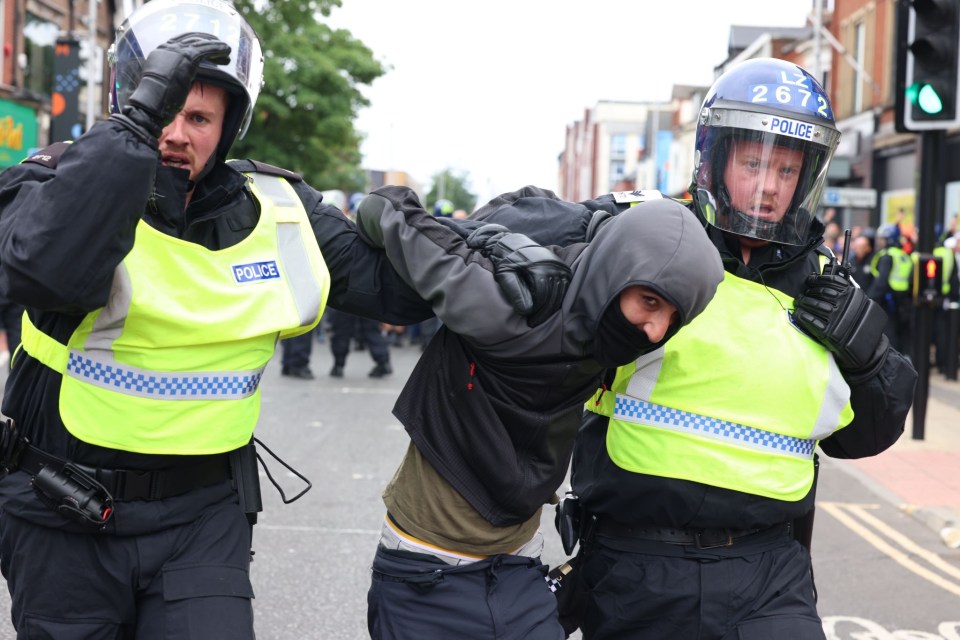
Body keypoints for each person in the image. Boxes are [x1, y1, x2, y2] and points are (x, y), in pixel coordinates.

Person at [0, 0, 452, 635]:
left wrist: (495, 238)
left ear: (230, 124)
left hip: (200, 520)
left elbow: (402, 294)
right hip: (60, 513)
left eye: (199, 117)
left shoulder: (277, 208)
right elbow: (45, 271)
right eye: (161, 111)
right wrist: (131, 137)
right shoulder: (52, 181)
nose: (176, 134)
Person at [557, 59, 917, 639]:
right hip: (635, 565)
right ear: (714, 160)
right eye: (753, 163)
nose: (769, 186)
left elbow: (866, 435)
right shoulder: (648, 242)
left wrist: (870, 356)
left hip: (770, 575)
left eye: (786, 168)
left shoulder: (827, 283)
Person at [356, 184, 724, 639]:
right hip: (427, 572)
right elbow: (384, 207)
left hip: (519, 569)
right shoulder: (500, 303)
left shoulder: (614, 326)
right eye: (650, 302)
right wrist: (475, 234)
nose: (655, 331)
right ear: (615, 272)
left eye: (675, 316)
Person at [868, 223, 914, 360]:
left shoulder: (887, 256)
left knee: (890, 337)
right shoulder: (905, 256)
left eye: (882, 239)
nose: (880, 242)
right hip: (903, 302)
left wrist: (869, 300)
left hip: (888, 302)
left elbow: (881, 283)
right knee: (902, 338)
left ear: (889, 239)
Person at [326, 307, 393, 378]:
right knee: (371, 330)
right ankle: (383, 363)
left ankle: (338, 365)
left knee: (342, 331)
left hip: (346, 299)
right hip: (369, 300)